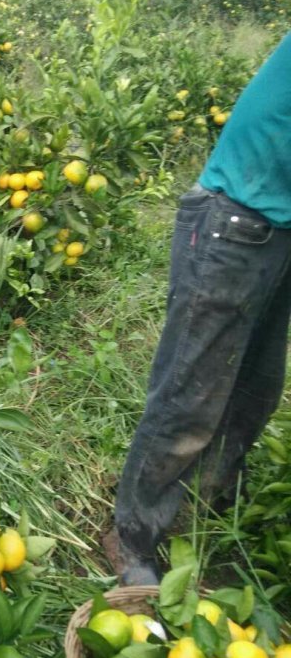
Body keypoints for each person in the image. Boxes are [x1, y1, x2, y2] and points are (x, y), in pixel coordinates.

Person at [109, 32, 291, 586]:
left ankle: (203, 514)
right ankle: (131, 534)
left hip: (279, 230)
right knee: (192, 394)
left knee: (255, 389)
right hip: (235, 225)